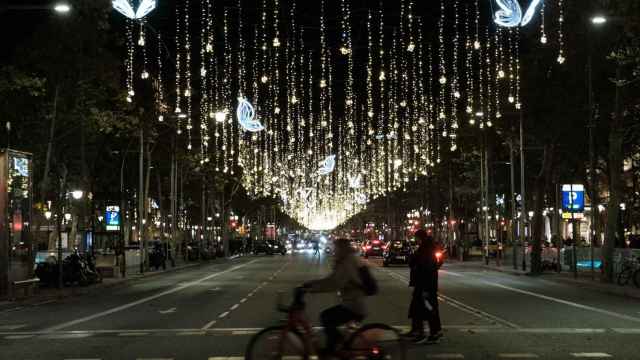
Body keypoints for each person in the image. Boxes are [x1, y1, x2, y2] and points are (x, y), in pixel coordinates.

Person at [303, 238, 366, 356]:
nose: (334, 250)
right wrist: (311, 284)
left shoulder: (348, 262)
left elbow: (335, 283)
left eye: (336, 248)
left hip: (354, 305)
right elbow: (331, 279)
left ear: (342, 249)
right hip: (351, 303)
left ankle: (333, 347)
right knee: (329, 318)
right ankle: (336, 345)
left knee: (326, 317)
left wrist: (313, 289)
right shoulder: (345, 260)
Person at [406, 229, 443, 344]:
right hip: (424, 284)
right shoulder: (427, 247)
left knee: (428, 308)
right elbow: (437, 262)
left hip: (425, 285)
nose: (415, 240)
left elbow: (424, 266)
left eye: (416, 238)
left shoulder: (425, 249)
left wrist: (425, 288)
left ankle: (433, 333)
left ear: (419, 238)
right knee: (418, 307)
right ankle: (418, 330)